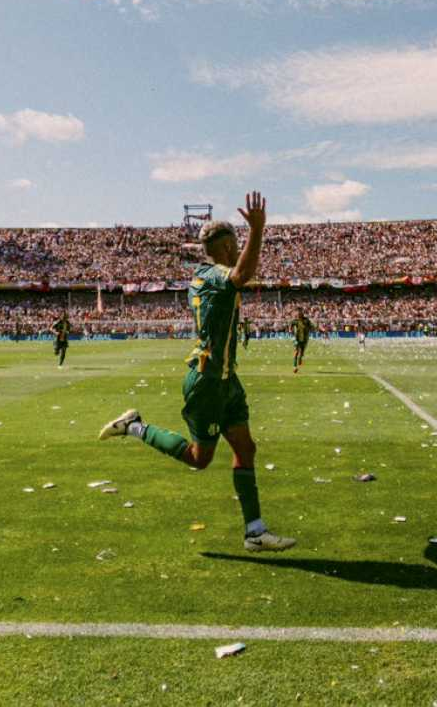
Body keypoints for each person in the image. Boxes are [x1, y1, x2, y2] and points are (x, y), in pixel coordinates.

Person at [98, 192, 295, 552]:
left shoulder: (209, 274)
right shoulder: (215, 273)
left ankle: (255, 532)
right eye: (235, 243)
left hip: (225, 379)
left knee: (245, 448)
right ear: (225, 246)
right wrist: (259, 229)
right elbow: (243, 274)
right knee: (199, 459)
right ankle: (135, 426)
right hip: (206, 381)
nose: (238, 249)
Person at [291, 308, 314, 374]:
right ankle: (295, 367)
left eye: (299, 312)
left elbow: (311, 327)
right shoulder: (295, 320)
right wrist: (291, 332)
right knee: (296, 352)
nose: (298, 314)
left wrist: (313, 328)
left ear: (302, 313)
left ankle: (300, 358)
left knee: (301, 354)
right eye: (297, 313)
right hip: (297, 339)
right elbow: (291, 325)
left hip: (305, 339)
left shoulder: (306, 320)